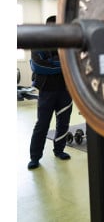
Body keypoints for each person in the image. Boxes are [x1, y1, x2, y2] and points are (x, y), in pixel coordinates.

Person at [27, 15, 73, 170]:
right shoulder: (38, 43)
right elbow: (39, 66)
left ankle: (59, 150)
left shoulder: (67, 44)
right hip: (47, 90)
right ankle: (35, 157)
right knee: (42, 124)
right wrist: (62, 65)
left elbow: (73, 63)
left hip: (65, 89)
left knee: (64, 123)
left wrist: (54, 62)